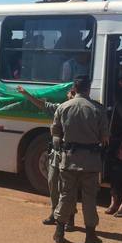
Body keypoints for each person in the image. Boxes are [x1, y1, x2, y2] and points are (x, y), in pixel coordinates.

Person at [51, 75, 109, 243]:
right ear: (88, 88)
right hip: (90, 162)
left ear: (74, 88)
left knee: (66, 195)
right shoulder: (98, 109)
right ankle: (90, 236)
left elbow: (55, 135)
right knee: (89, 198)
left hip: (68, 160)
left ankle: (59, 231)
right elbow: (104, 138)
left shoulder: (63, 107)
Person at [16, 85, 77, 229]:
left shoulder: (79, 111)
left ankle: (70, 218)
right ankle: (54, 213)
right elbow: (43, 105)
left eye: (72, 93)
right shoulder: (60, 108)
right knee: (52, 183)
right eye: (70, 93)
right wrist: (26, 94)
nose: (69, 95)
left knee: (67, 187)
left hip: (70, 154)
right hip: (56, 153)